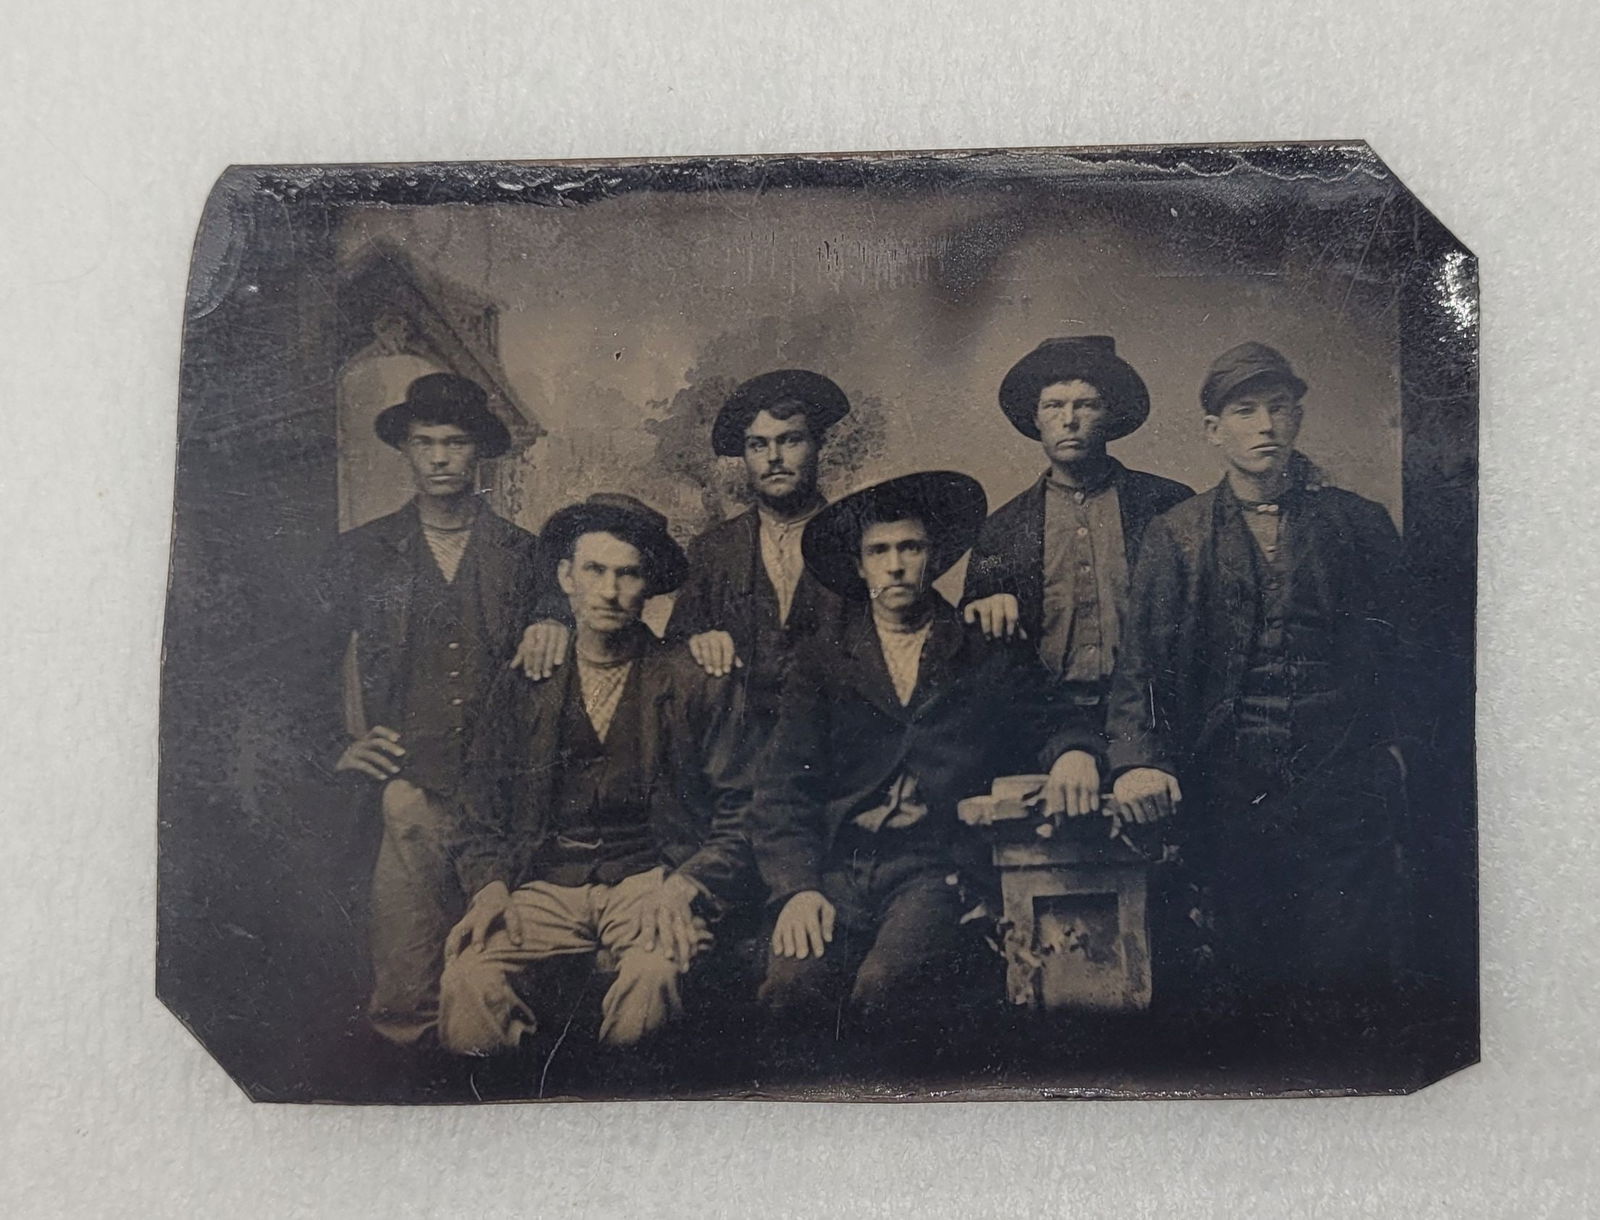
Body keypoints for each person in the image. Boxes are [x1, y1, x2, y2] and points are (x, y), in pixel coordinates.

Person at [1104, 342, 1410, 1028]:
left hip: (1344, 785)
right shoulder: (1177, 536)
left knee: (1349, 978)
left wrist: (1397, 752)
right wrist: (1137, 761)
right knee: (1250, 978)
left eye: (1279, 408)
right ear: (1214, 431)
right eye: (1245, 411)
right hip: (1230, 789)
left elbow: (1409, 654)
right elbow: (1140, 666)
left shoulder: (1359, 525)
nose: (1265, 425)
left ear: (1298, 418)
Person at [750, 471, 1100, 1050]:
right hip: (840, 868)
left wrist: (1074, 755)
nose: (895, 566)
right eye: (878, 552)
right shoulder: (822, 662)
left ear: (933, 558)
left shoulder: (981, 644)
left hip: (936, 867)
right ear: (860, 566)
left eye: (909, 548)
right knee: (792, 986)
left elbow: (1055, 718)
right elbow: (783, 788)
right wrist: (797, 889)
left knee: (886, 987)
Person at [436, 494, 754, 1053]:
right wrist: (489, 889)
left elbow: (744, 808)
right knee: (469, 976)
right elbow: (478, 808)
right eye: (595, 570)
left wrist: (687, 885)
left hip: (652, 881)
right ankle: (500, 1105)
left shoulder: (691, 679)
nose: (609, 591)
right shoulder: (527, 681)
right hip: (544, 881)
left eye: (628, 574)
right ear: (566, 577)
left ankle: (625, 1106)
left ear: (648, 585)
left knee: (656, 972)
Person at [321, 372, 547, 1047]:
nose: (441, 458)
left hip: (506, 793)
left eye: (456, 442)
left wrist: (554, 622)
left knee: (495, 959)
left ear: (479, 452)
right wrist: (335, 742)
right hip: (407, 790)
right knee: (406, 979)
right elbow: (302, 661)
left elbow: (566, 628)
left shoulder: (526, 554)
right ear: (406, 450)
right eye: (426, 442)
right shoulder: (362, 553)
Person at [962, 336, 1192, 819]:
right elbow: (992, 663)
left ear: (1110, 414)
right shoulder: (1001, 531)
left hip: (1158, 726)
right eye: (1054, 406)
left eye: (1086, 404)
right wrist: (982, 608)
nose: (1069, 419)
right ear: (1035, 418)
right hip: (1040, 734)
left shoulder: (1168, 507)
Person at [662, 369, 856, 735]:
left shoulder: (856, 541)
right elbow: (672, 653)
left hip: (839, 740)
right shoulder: (713, 550)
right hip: (738, 748)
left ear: (819, 445)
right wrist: (698, 642)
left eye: (790, 440)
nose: (774, 458)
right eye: (758, 445)